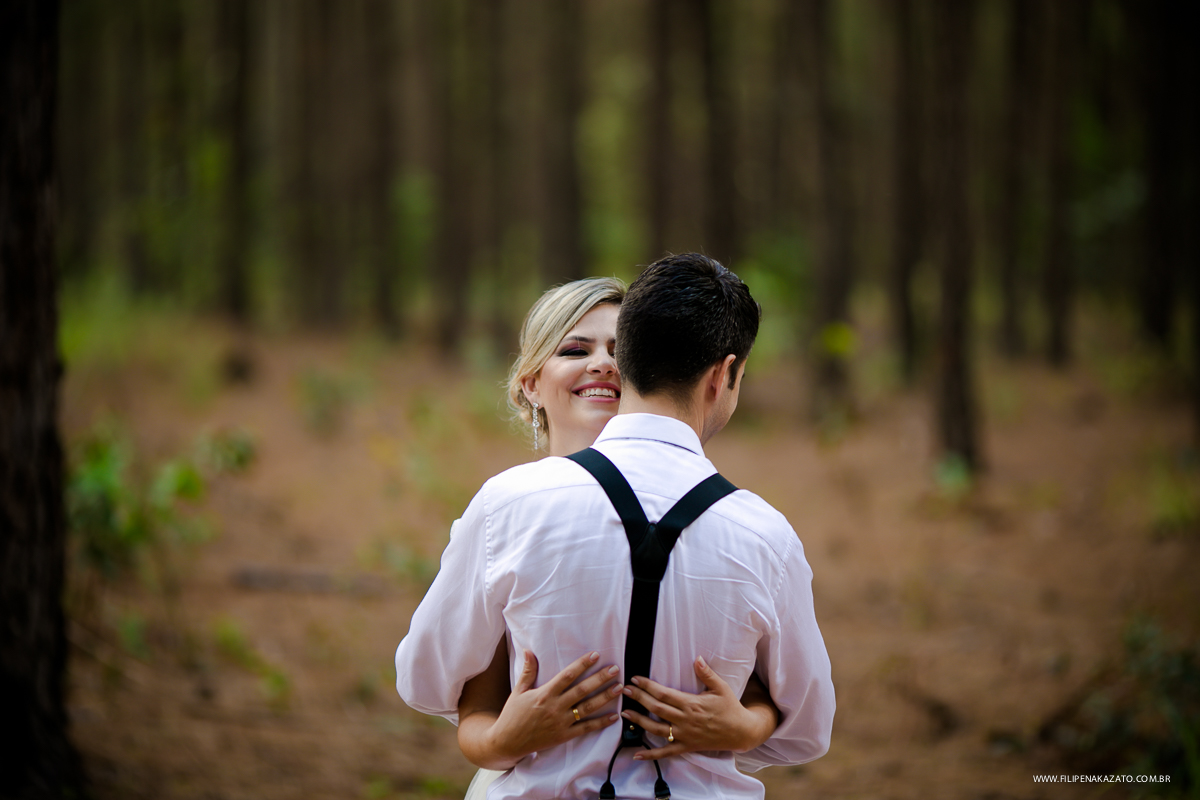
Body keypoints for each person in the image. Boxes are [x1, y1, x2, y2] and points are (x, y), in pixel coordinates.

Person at [397, 255, 834, 799]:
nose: (602, 366)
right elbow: (808, 720)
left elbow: (425, 677)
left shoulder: (509, 509)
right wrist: (498, 738)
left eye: (616, 351)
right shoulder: (763, 535)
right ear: (722, 375)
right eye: (576, 349)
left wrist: (749, 722)